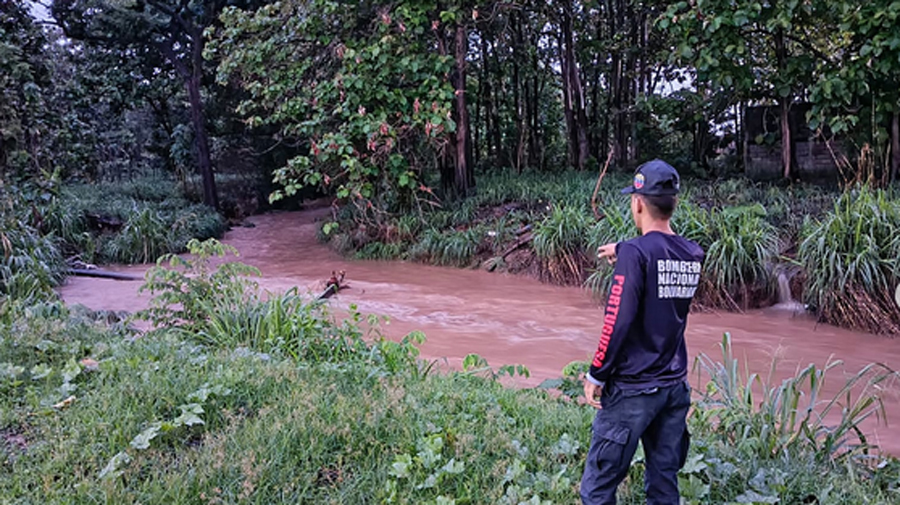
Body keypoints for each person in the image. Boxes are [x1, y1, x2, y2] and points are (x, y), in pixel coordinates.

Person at [580, 159, 705, 505]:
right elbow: (664, 252)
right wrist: (622, 249)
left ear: (637, 202)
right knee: (664, 480)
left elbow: (618, 321)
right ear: (674, 204)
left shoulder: (635, 254)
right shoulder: (693, 254)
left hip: (634, 389)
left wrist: (596, 373)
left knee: (598, 487)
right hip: (673, 387)